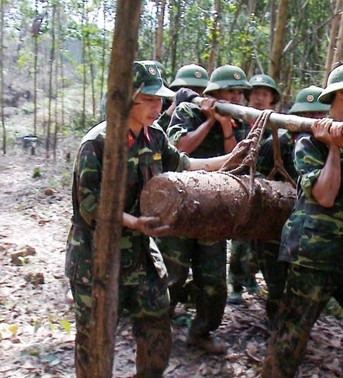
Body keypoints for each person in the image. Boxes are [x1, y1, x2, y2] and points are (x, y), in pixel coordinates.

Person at [65, 60, 230, 377]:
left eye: (161, 100)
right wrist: (133, 222)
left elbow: (184, 165)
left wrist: (230, 158)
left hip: (140, 252)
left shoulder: (154, 137)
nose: (158, 106)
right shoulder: (98, 143)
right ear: (128, 99)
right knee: (95, 338)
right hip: (95, 255)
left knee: (156, 324)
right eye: (150, 99)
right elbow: (90, 206)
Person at [262, 63, 343, 378]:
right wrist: (333, 147)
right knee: (291, 337)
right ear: (341, 94)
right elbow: (325, 195)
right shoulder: (307, 140)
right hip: (311, 254)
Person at [157, 64, 251, 354]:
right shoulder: (187, 111)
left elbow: (237, 163)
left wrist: (224, 126)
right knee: (172, 273)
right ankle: (158, 327)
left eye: (239, 93)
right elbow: (179, 149)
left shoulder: (240, 123)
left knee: (212, 279)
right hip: (180, 206)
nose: (235, 98)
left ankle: (201, 331)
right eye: (230, 92)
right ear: (215, 93)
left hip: (215, 209)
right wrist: (209, 121)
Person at [254, 85, 331, 326]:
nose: (311, 120)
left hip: (309, 231)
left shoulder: (328, 145)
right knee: (275, 281)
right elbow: (258, 183)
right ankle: (275, 326)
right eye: (305, 116)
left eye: (317, 115)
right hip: (273, 226)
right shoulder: (275, 143)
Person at [227, 73, 282, 306]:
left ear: (272, 99)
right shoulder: (235, 121)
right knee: (240, 239)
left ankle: (251, 278)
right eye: (256, 93)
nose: (260, 98)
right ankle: (236, 285)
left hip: (266, 189)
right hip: (240, 187)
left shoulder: (276, 127)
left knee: (262, 240)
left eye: (265, 94)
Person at [154, 63, 210, 130]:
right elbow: (153, 132)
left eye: (199, 89)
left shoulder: (209, 111)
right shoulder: (163, 108)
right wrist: (174, 107)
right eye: (188, 89)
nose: (192, 93)